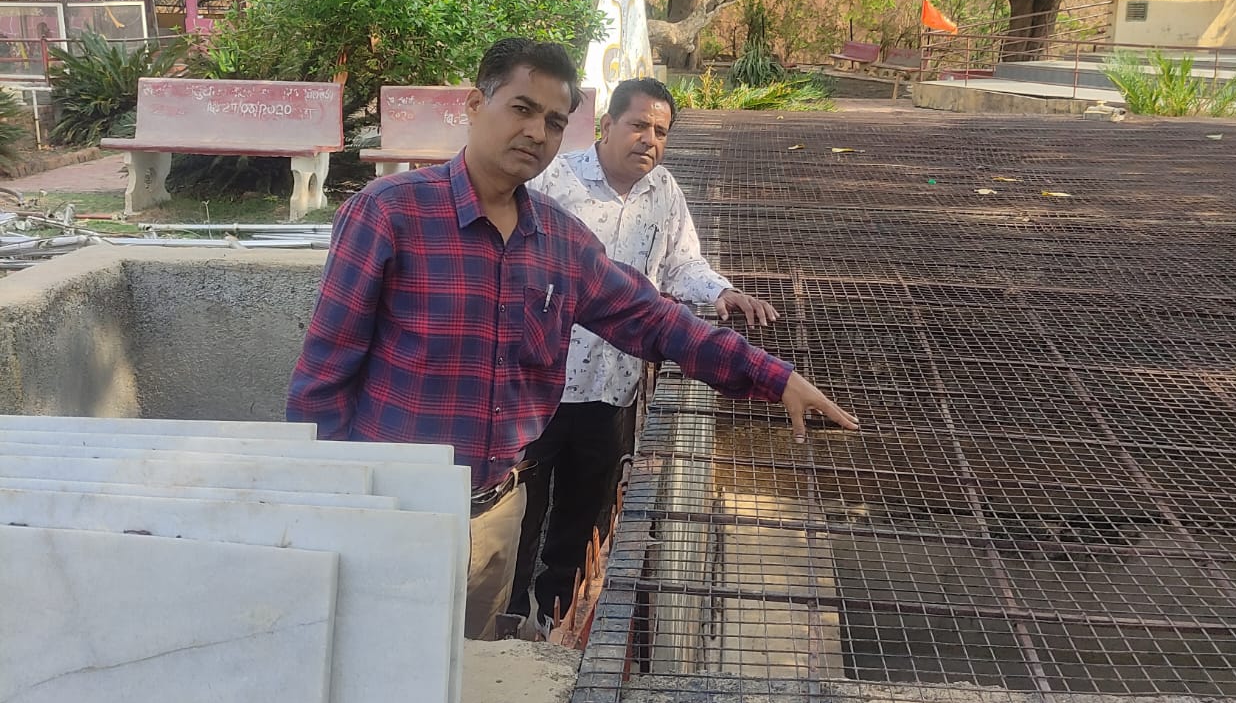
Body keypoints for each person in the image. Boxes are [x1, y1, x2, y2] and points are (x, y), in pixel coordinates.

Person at [287, 37, 857, 640]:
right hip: (395, 509)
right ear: (475, 105)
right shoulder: (389, 213)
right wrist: (324, 502)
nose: (537, 132)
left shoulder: (560, 241)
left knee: (468, 666)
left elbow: (653, 318)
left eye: (555, 122)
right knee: (374, 656)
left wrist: (772, 375)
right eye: (522, 108)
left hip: (494, 514)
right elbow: (324, 375)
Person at [508, 77, 775, 629]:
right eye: (638, 125)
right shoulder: (553, 182)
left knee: (583, 517)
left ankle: (556, 622)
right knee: (518, 517)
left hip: (612, 388)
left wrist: (721, 292)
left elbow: (682, 263)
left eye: (660, 131)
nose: (649, 140)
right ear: (607, 125)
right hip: (538, 383)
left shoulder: (664, 191)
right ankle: (505, 623)